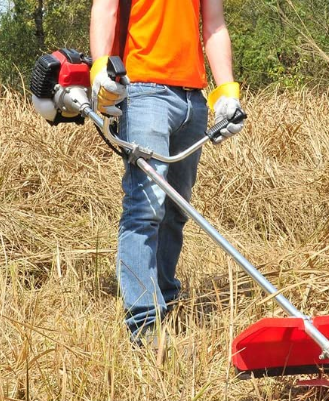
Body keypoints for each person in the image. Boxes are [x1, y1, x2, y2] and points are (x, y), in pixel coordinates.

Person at [89, 0, 245, 348]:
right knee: (145, 209)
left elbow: (215, 25)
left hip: (194, 100)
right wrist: (100, 68)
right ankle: (144, 324)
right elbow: (106, 8)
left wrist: (227, 92)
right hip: (144, 92)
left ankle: (165, 299)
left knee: (176, 211)